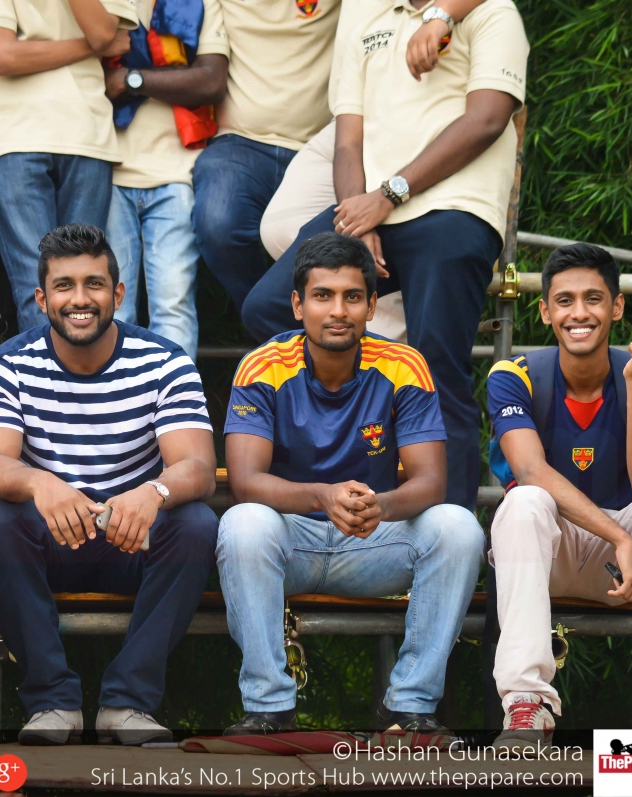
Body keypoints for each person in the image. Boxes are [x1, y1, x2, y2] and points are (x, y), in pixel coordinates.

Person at [241, 0, 528, 513]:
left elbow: (487, 119)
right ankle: (330, 481)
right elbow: (348, 140)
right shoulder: (367, 12)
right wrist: (360, 217)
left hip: (454, 210)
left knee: (437, 369)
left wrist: (389, 195)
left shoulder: (493, 11)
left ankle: (451, 536)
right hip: (372, 207)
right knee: (267, 306)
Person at [217, 232, 484, 735]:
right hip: (290, 542)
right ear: (298, 305)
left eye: (352, 297)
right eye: (322, 296)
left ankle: (409, 708)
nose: (338, 311)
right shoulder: (262, 365)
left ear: (371, 306)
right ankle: (269, 707)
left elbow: (431, 482)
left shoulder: (404, 364)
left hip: (372, 539)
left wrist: (381, 506)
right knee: (243, 523)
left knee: (458, 527)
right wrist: (321, 495)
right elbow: (246, 482)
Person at [0, 224, 218, 746]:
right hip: (51, 537)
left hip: (134, 536)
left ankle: (128, 703)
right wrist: (40, 482)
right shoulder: (7, 365)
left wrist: (153, 492)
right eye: (64, 286)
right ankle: (52, 703)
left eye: (94, 284)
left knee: (196, 523)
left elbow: (197, 466)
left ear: (118, 294)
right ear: (42, 299)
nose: (79, 299)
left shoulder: (164, 361)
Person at [487, 244, 632, 745]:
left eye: (593, 298)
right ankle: (528, 706)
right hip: (545, 555)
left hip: (621, 568)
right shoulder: (513, 375)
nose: (579, 313)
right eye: (564, 301)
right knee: (524, 500)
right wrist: (621, 538)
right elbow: (530, 470)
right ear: (545, 311)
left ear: (617, 307)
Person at [256, 0, 489, 344]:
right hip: (350, 116)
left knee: (422, 250)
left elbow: (486, 119)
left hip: (424, 113)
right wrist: (358, 223)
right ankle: (365, 342)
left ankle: (392, 330)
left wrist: (441, 15)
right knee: (279, 229)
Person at [0, 0, 138, 330]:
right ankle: (46, 367)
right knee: (36, 287)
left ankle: (78, 367)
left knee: (86, 282)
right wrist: (90, 47)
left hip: (86, 135)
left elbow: (103, 34)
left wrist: (96, 43)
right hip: (17, 136)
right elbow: (5, 57)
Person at [189, 0, 341, 313]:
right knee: (218, 223)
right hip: (239, 143)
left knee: (337, 236)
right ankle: (274, 319)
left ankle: (305, 319)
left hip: (322, 144)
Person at [103, 0, 229, 360]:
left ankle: (176, 397)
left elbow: (210, 80)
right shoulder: (99, 5)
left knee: (173, 305)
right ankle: (115, 398)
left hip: (177, 172)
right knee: (112, 308)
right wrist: (167, 81)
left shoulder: (199, 3)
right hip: (109, 171)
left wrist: (132, 80)